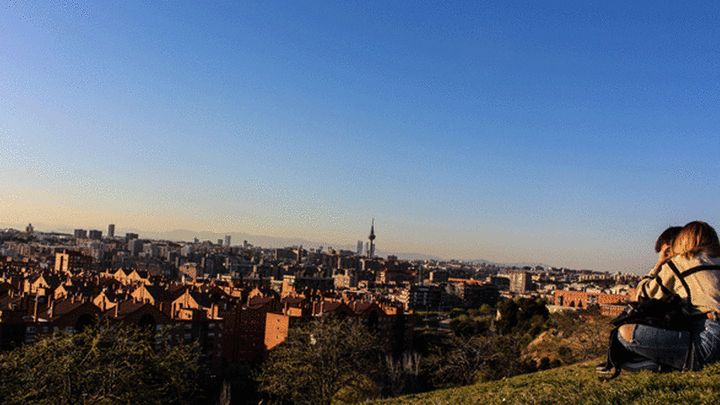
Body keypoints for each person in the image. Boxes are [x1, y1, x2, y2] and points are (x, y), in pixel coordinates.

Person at [619, 221, 720, 370]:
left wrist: (659, 263)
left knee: (624, 333)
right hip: (711, 333)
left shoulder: (681, 263)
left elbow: (642, 295)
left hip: (709, 339)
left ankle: (664, 365)